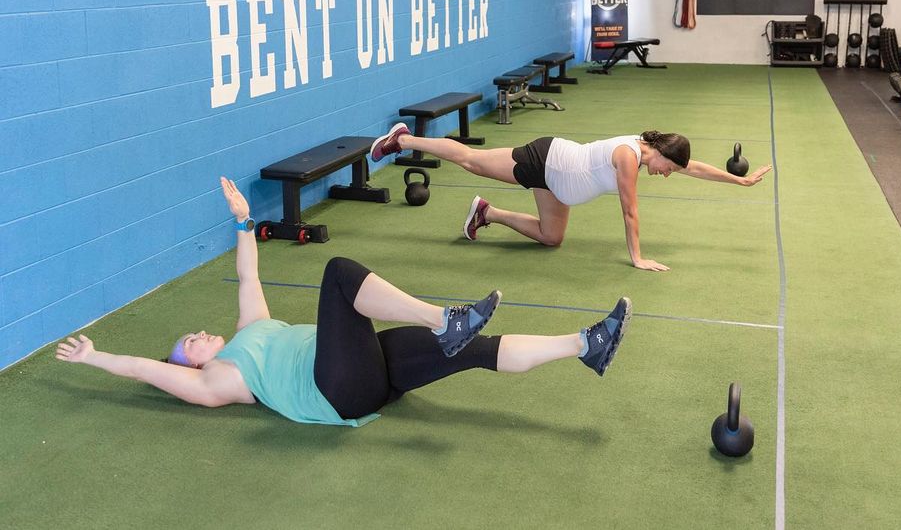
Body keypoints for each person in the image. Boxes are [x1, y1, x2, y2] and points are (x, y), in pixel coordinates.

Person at [55, 178, 632, 427]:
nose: (199, 335)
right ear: (193, 364)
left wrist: (243, 221)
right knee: (337, 275)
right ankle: (443, 319)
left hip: (364, 374)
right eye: (191, 343)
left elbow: (247, 273)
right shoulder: (220, 381)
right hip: (334, 392)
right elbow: (148, 370)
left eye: (194, 334)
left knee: (477, 350)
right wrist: (95, 357)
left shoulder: (252, 327)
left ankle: (586, 345)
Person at [371, 127, 771, 272]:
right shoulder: (629, 157)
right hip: (545, 162)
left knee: (552, 237)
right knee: (472, 161)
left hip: (558, 182)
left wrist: (741, 182)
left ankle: (486, 213)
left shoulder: (652, 152)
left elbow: (694, 168)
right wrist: (637, 257)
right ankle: (402, 140)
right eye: (668, 169)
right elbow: (630, 211)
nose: (667, 174)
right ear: (662, 153)